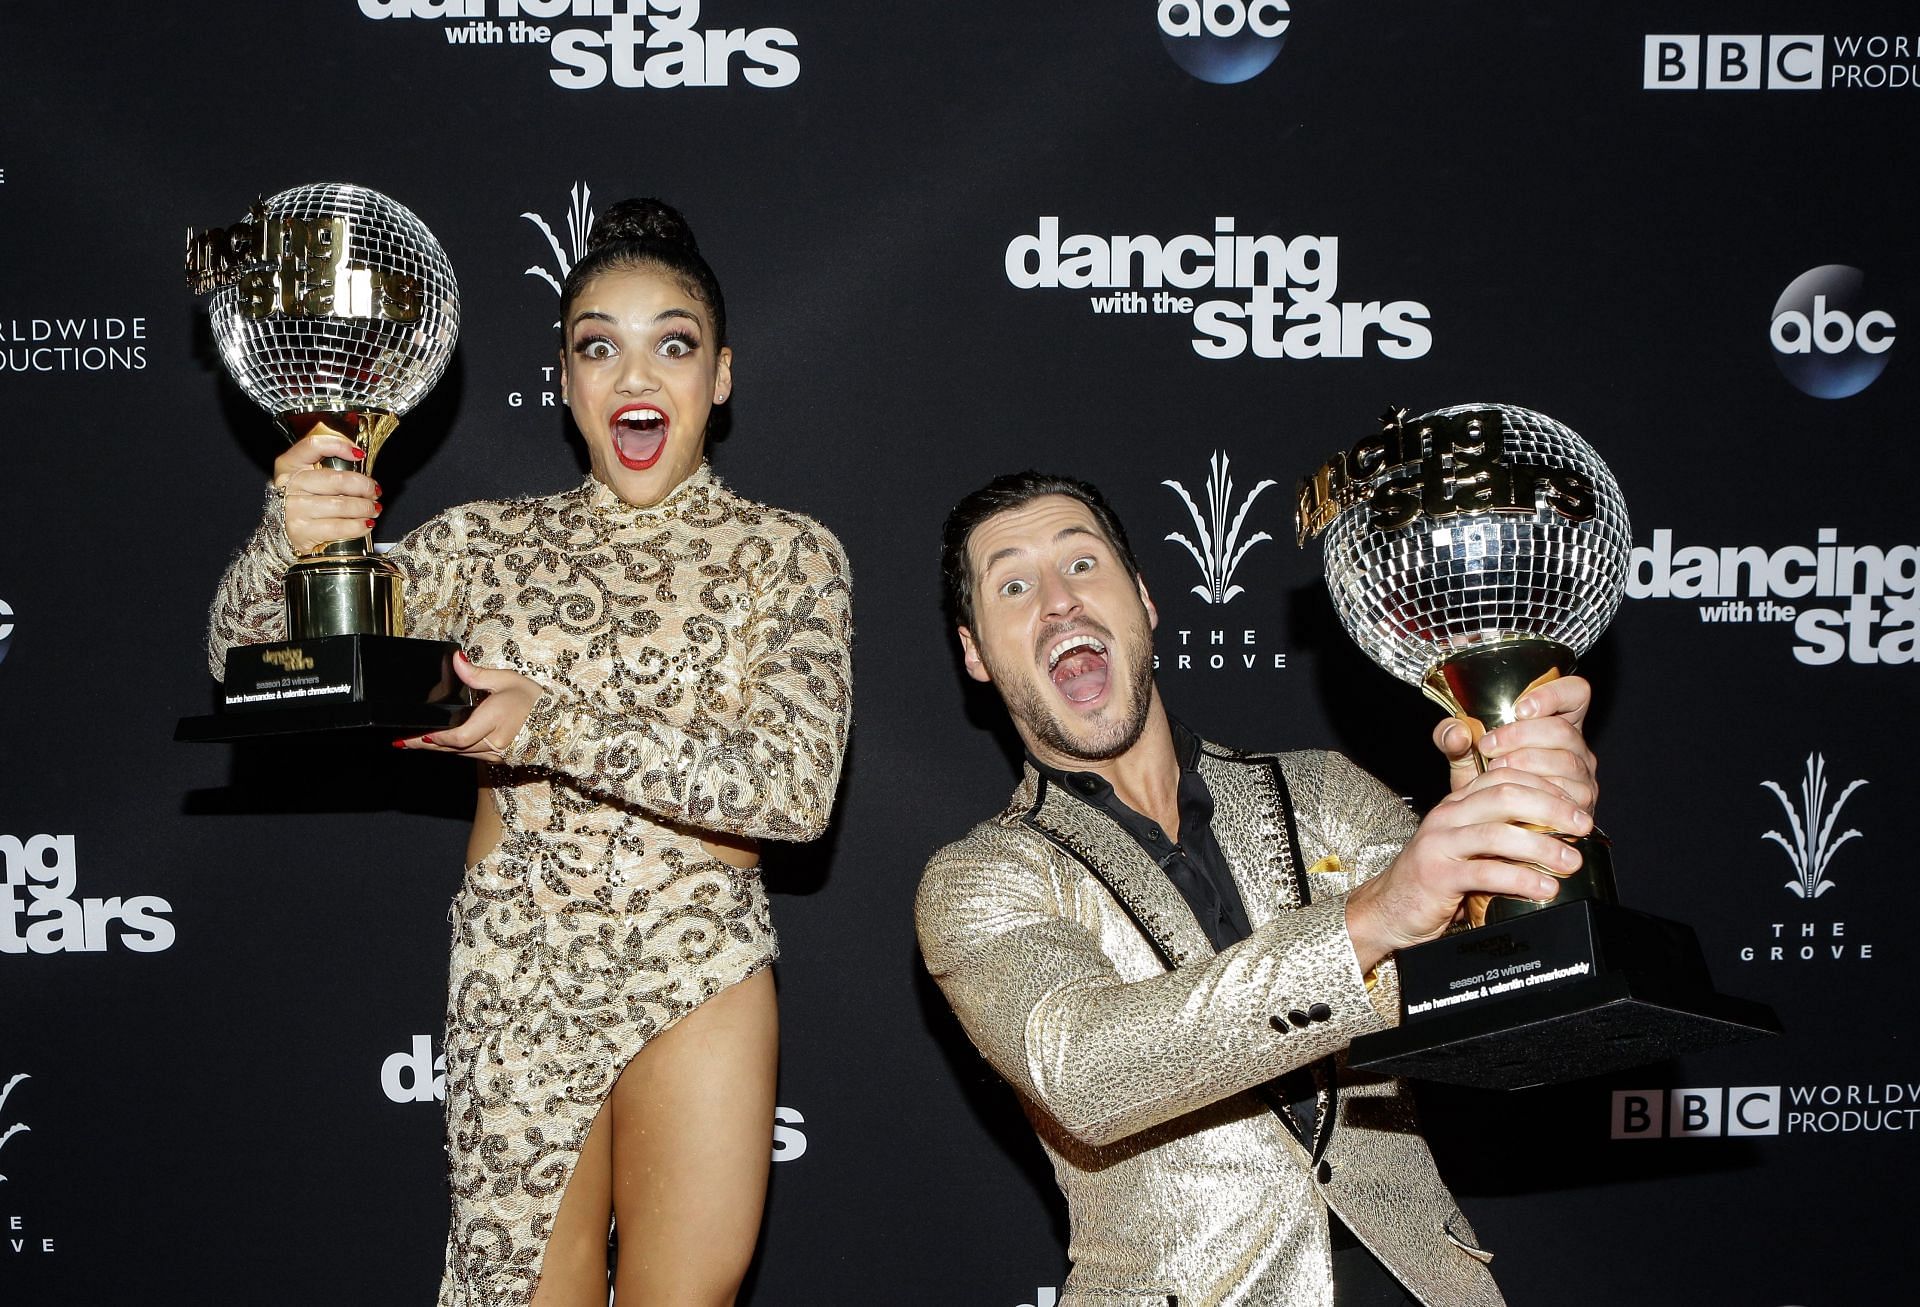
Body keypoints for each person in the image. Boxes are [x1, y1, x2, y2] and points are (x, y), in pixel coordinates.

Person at [207, 199, 853, 1307]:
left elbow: (791, 791)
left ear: (723, 375)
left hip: (698, 966)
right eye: (599, 345)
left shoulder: (787, 554)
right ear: (566, 381)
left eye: (674, 343)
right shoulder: (486, 542)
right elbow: (249, 659)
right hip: (518, 966)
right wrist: (293, 538)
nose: (635, 375)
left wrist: (541, 722)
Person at [916, 471, 1600, 1307]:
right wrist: (1366, 922)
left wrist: (1518, 828)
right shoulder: (980, 877)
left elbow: (1494, 997)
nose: (1059, 601)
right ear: (975, 653)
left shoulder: (1324, 790)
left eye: (1083, 563)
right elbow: (1086, 1072)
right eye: (1013, 585)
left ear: (1144, 599)